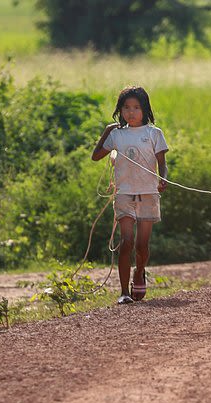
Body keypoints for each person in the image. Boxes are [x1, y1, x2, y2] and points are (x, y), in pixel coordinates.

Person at [91, 86, 169, 304]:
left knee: (142, 245)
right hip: (125, 193)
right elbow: (96, 156)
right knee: (126, 241)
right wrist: (107, 130)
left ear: (145, 109)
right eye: (126, 108)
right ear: (120, 110)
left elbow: (162, 164)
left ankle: (139, 272)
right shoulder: (116, 135)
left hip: (148, 193)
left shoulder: (154, 133)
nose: (131, 112)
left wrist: (162, 179)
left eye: (136, 107)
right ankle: (124, 292)